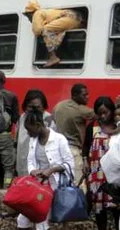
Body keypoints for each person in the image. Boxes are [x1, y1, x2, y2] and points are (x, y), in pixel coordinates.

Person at [17, 109, 74, 230]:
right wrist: (33, 171)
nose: (28, 133)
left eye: (29, 130)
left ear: (37, 126)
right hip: (39, 185)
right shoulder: (33, 141)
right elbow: (30, 161)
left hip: (56, 186)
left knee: (41, 220)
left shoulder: (59, 139)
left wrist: (51, 170)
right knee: (22, 219)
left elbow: (69, 163)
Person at [83, 97, 120, 230]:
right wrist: (84, 162)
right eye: (100, 113)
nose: (103, 116)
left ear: (112, 111)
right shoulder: (92, 126)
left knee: (116, 206)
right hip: (97, 173)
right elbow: (86, 146)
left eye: (106, 112)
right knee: (99, 208)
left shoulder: (118, 126)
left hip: (115, 174)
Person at [53, 83, 95, 186]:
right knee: (78, 183)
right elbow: (101, 114)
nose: (87, 97)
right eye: (84, 95)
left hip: (57, 149)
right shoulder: (81, 109)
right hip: (73, 150)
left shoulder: (58, 105)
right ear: (75, 95)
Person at [24, 0, 83, 67]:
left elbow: (37, 31)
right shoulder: (45, 12)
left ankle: (53, 57)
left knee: (46, 30)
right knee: (55, 32)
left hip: (70, 17)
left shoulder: (37, 13)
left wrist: (39, 25)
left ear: (30, 13)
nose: (28, 19)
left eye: (27, 16)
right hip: (76, 18)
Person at [16, 89, 56, 176]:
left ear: (43, 106)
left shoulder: (48, 119)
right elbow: (17, 141)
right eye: (30, 107)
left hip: (42, 168)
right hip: (23, 163)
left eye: (37, 107)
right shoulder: (22, 118)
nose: (34, 110)